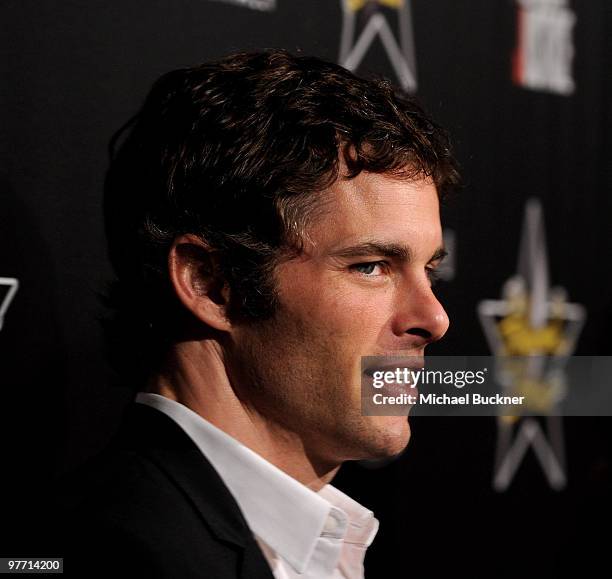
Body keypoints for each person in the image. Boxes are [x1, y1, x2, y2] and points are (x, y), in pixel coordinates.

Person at [60, 49, 459, 578]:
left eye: (428, 270)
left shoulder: (332, 544)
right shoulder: (112, 552)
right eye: (370, 266)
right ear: (211, 284)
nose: (433, 318)